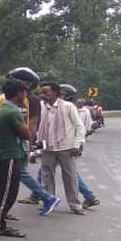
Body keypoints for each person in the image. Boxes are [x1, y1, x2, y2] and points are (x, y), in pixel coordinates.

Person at [0, 78, 33, 236]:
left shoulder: (5, 107)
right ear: (19, 93)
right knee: (7, 192)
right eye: (24, 91)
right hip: (10, 155)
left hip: (5, 154)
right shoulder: (12, 111)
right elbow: (26, 134)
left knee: (1, 189)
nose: (25, 95)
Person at [35, 81, 86, 215]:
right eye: (42, 92)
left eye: (46, 92)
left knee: (70, 177)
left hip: (66, 147)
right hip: (48, 147)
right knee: (47, 176)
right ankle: (49, 201)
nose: (43, 95)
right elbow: (38, 125)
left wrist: (76, 144)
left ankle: (75, 205)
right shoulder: (41, 106)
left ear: (56, 93)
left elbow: (79, 126)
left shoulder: (68, 107)